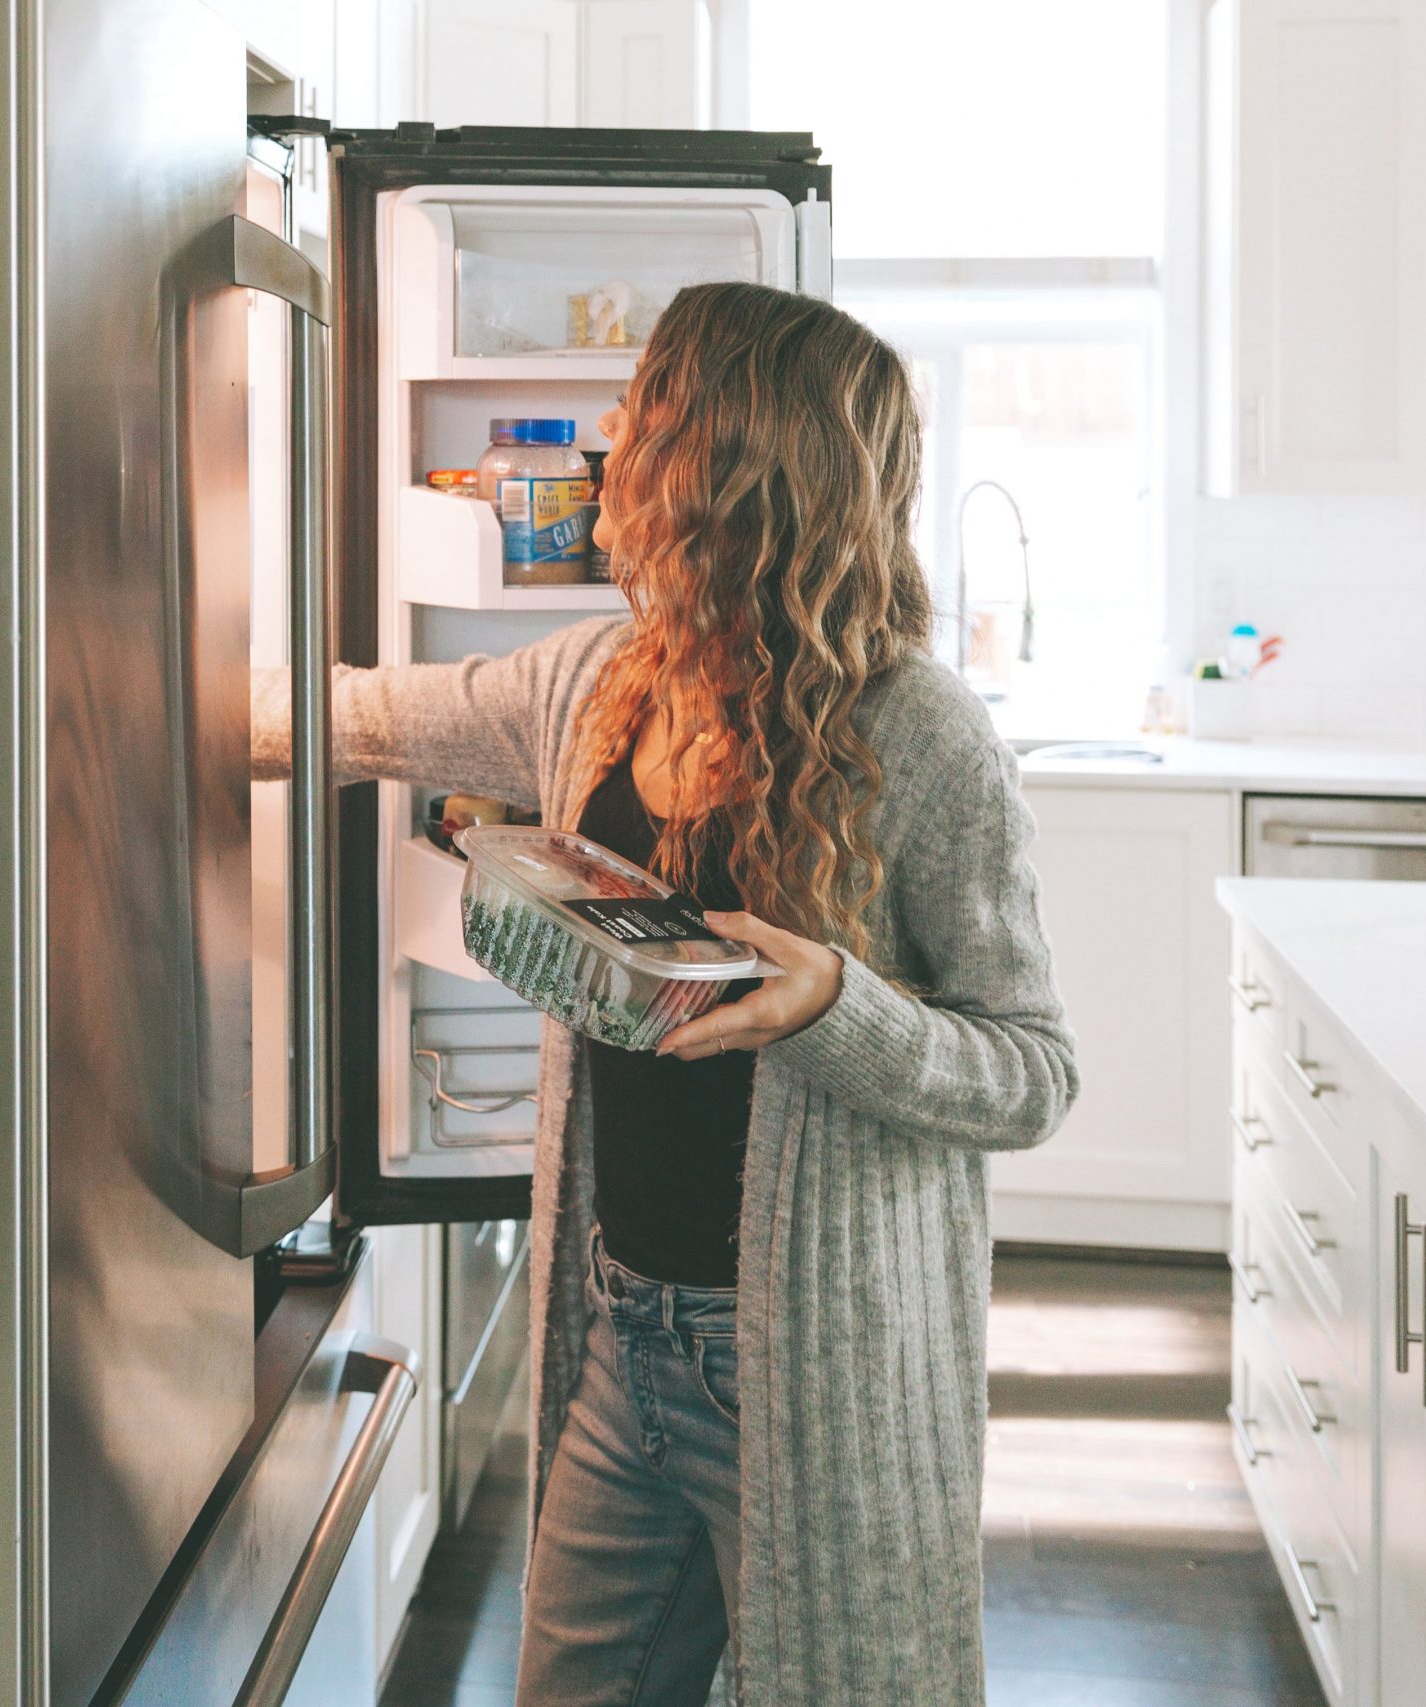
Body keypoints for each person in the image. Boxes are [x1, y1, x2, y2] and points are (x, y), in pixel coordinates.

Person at [257, 280, 1076, 1705]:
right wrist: (126, 675)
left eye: (646, 407)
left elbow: (1030, 1071)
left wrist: (836, 1005)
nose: (615, 431)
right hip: (622, 1334)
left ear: (724, 460)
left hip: (813, 1370)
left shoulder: (924, 738)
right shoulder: (604, 683)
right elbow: (382, 718)